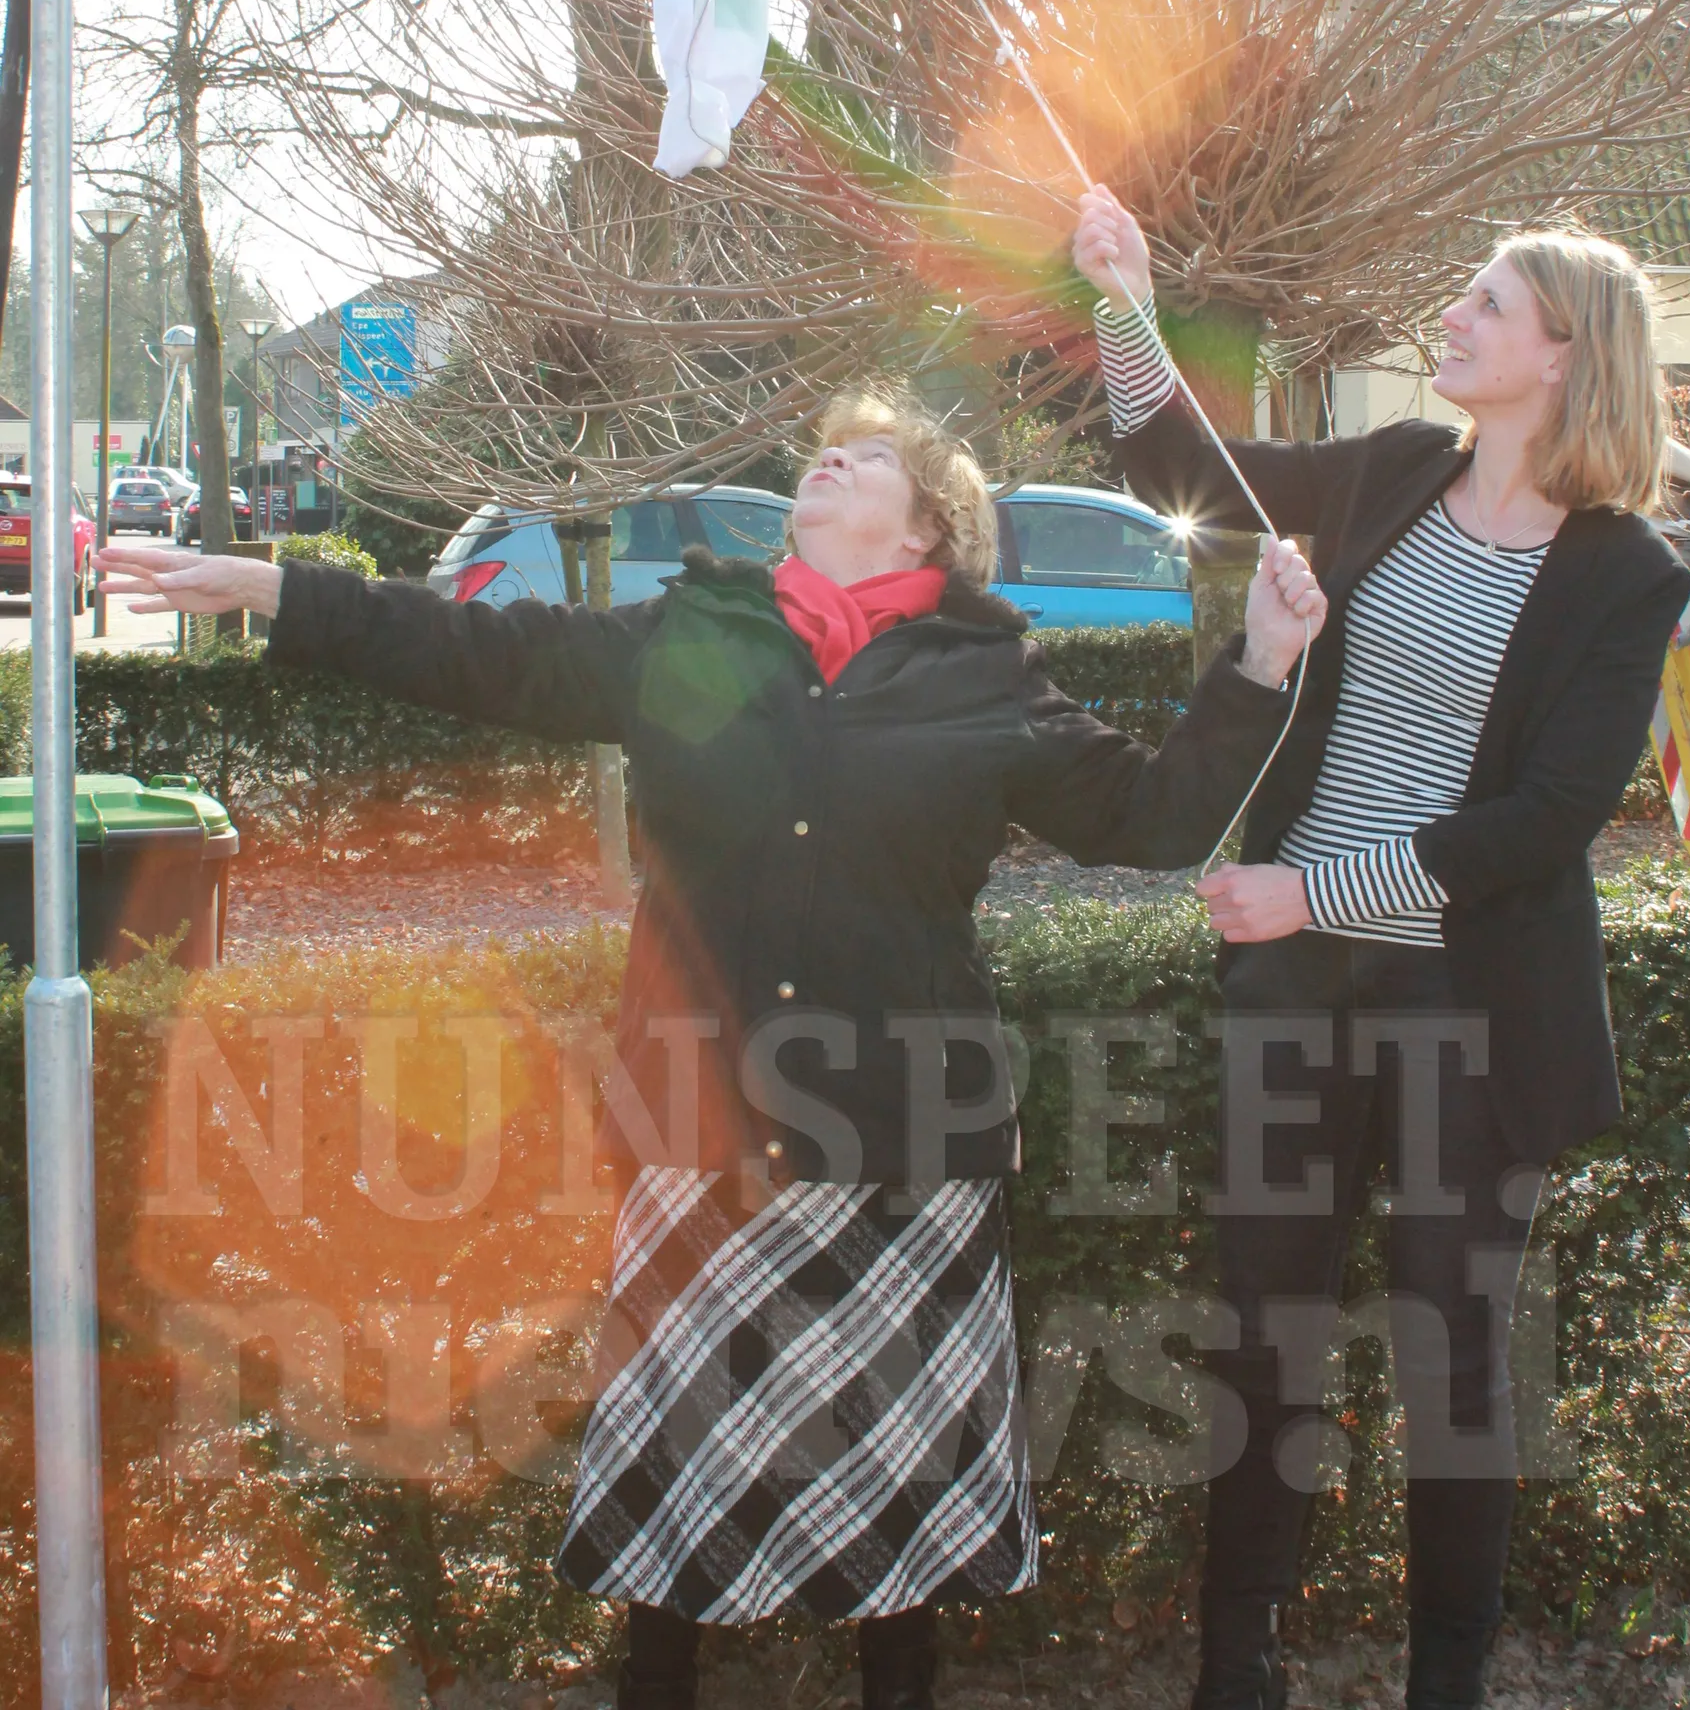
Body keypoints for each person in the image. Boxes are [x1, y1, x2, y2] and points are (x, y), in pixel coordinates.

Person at [101, 385, 1326, 1710]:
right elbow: (487, 656)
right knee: (675, 1484)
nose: (832, 458)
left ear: (927, 529)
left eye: (869, 457)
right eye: (827, 449)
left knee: (893, 1491)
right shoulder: (702, 628)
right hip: (696, 1129)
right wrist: (278, 591)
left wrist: (1260, 664)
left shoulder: (987, 676)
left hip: (903, 1141)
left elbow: (1146, 821)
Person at [1072, 186, 1689, 1710]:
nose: (1452, 318)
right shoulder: (1398, 470)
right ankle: (1241, 1672)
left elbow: (1546, 818)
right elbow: (1181, 465)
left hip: (1469, 1012)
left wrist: (1309, 888)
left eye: (1484, 301)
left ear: (1560, 354)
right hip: (1294, 988)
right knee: (1262, 1335)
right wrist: (1122, 295)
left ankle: (1445, 1688)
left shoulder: (1626, 572)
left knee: (1451, 1365)